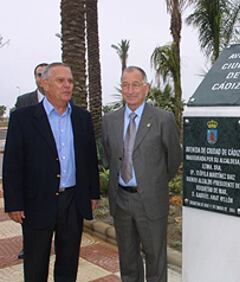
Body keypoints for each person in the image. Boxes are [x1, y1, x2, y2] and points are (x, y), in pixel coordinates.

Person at [3, 62, 100, 281]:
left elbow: (89, 159)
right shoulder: (23, 118)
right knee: (36, 264)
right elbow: (12, 164)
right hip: (36, 203)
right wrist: (14, 203)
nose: (67, 85)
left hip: (72, 202)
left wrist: (93, 193)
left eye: (70, 81)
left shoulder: (82, 118)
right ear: (45, 84)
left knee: (68, 263)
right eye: (60, 80)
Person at [102, 66, 182, 282]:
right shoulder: (110, 120)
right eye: (125, 85)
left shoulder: (163, 119)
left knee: (155, 259)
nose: (130, 90)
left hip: (151, 201)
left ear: (146, 88)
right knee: (128, 261)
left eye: (135, 84)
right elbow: (110, 155)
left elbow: (174, 158)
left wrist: (153, 182)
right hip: (121, 200)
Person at [13, 62, 48, 260]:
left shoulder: (65, 100)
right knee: (30, 218)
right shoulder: (24, 101)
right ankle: (29, 247)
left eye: (44, 74)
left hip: (55, 174)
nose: (41, 77)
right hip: (31, 173)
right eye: (38, 74)